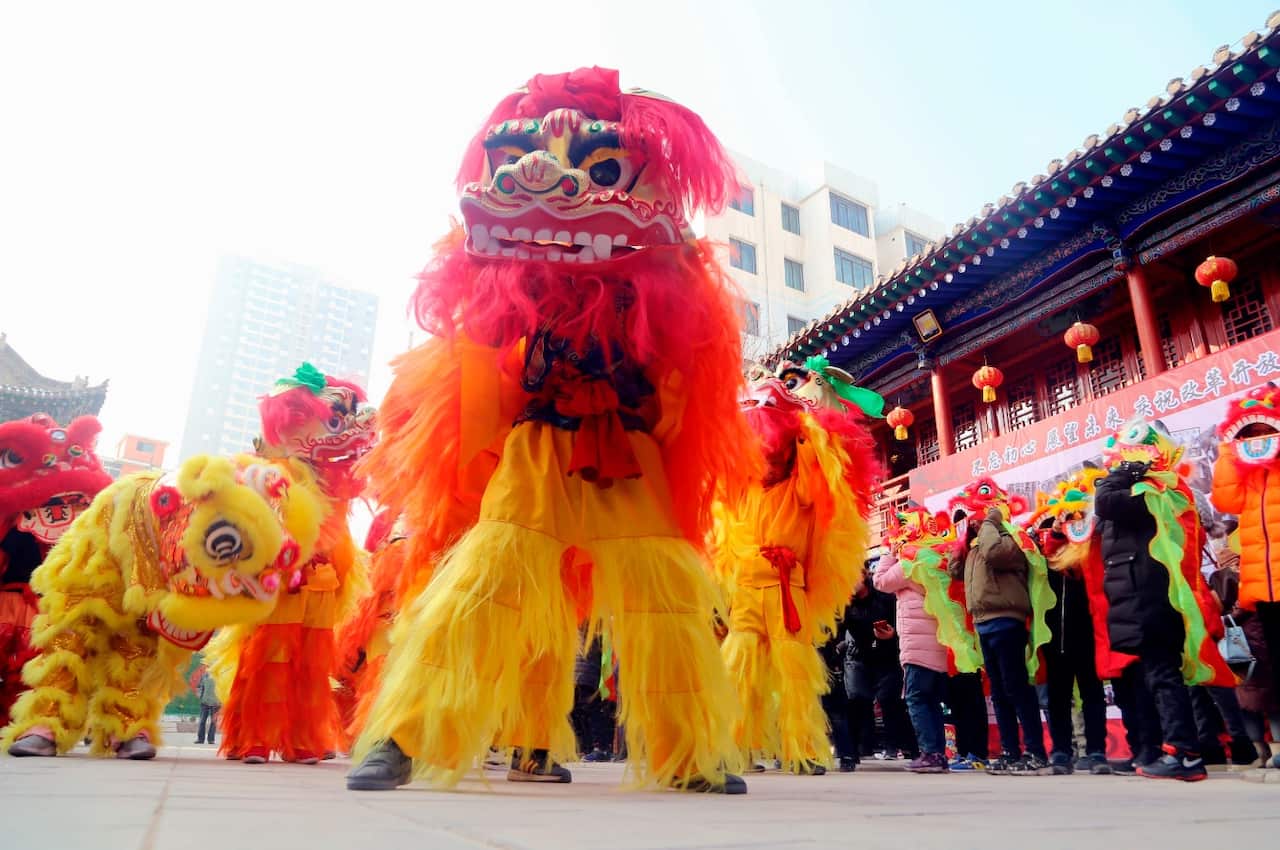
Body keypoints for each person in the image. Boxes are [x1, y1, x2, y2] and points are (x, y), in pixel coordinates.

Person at [1096, 419, 1235, 781]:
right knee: (1160, 676)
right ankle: (1179, 750)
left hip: (1151, 596)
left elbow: (1105, 501)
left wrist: (1124, 473)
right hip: (1141, 596)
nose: (1119, 461)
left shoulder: (1156, 492)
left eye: (1130, 454)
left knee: (1164, 675)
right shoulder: (1147, 491)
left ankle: (1185, 754)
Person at [949, 478, 1053, 775]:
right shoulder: (976, 543)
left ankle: (1035, 752)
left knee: (1016, 687)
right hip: (983, 623)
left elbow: (996, 553)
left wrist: (990, 522)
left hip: (1007, 620)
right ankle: (1010, 751)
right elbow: (955, 571)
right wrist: (961, 541)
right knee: (999, 691)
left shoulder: (1012, 538)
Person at [874, 549, 952, 773]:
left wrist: (889, 551)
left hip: (918, 649)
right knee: (931, 701)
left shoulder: (911, 562)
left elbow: (880, 581)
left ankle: (930, 753)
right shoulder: (936, 560)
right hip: (937, 647)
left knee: (916, 699)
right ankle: (937, 753)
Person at [844, 569, 917, 763]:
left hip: (887, 654)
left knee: (890, 700)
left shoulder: (885, 595)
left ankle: (901, 746)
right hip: (859, 656)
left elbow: (900, 622)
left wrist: (892, 636)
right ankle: (856, 750)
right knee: (857, 698)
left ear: (863, 575)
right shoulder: (843, 602)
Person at [195, 669, 221, 746]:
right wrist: (200, 696)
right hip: (205, 702)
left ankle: (211, 739)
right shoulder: (205, 675)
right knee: (202, 721)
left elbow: (224, 689)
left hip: (216, 703)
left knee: (213, 722)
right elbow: (199, 687)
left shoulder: (220, 676)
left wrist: (220, 700)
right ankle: (200, 739)